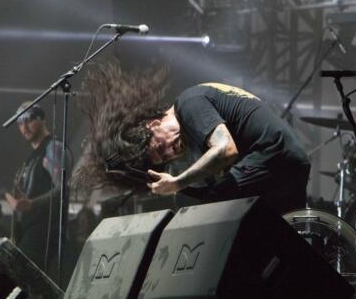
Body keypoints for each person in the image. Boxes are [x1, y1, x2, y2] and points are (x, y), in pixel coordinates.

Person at [75, 63, 310, 214]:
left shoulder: (189, 104)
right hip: (287, 160)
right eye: (163, 158)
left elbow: (226, 149)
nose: (170, 153)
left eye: (159, 147)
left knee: (218, 209)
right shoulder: (195, 127)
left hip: (273, 155)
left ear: (154, 124)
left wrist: (177, 183)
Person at [5, 102, 68, 276]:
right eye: (19, 122)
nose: (24, 127)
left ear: (42, 119)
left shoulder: (53, 148)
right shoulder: (30, 158)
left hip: (44, 233)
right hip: (27, 233)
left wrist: (32, 204)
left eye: (29, 120)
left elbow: (63, 188)